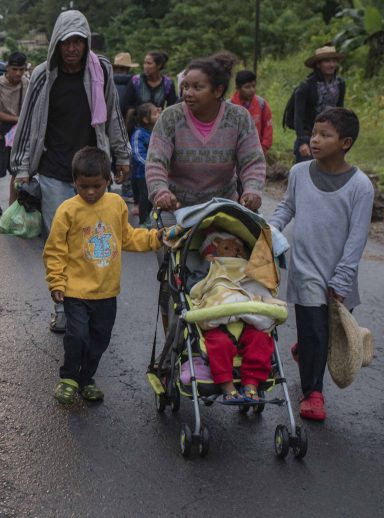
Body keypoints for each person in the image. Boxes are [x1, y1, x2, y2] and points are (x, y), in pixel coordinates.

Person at [9, 9, 131, 333]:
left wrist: (122, 157)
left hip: (93, 172)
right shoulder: (42, 76)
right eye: (66, 42)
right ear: (56, 45)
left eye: (78, 42)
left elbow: (113, 115)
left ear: (86, 42)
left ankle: (90, 301)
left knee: (94, 241)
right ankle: (62, 306)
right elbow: (28, 124)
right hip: (53, 172)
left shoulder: (100, 69)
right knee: (58, 243)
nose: (73, 49)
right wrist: (22, 169)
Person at [269, 107, 372, 421]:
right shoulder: (299, 172)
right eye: (314, 133)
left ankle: (309, 351)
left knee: (328, 331)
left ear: (345, 142)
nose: (314, 140)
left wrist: (342, 279)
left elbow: (356, 240)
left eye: (324, 135)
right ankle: (313, 393)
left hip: (339, 270)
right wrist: (268, 233)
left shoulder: (360, 186)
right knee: (313, 327)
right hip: (306, 268)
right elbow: (286, 208)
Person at [44, 147, 164, 403]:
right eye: (83, 186)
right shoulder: (67, 210)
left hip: (107, 291)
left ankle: (87, 378)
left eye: (96, 186)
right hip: (75, 291)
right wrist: (56, 280)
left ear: (108, 181)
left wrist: (156, 238)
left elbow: (128, 237)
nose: (90, 192)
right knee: (77, 335)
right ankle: (68, 378)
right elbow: (55, 249)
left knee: (100, 339)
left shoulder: (116, 204)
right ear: (74, 181)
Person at [146, 53, 266, 213]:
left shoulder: (239, 117)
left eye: (197, 87)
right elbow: (156, 161)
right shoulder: (170, 117)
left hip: (222, 207)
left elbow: (253, 162)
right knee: (160, 237)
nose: (188, 93)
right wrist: (160, 192)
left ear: (217, 91)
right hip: (176, 207)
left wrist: (252, 191)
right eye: (186, 86)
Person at [189, 232, 277, 403]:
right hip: (219, 316)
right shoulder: (209, 265)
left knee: (261, 339)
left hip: (247, 318)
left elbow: (256, 285)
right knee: (218, 343)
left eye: (237, 249)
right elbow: (192, 286)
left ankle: (251, 384)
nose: (233, 253)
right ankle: (227, 385)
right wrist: (206, 266)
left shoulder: (245, 266)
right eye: (226, 248)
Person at [0, 51, 28, 215]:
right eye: (15, 69)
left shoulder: (26, 83)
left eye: (21, 70)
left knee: (17, 170)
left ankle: (12, 206)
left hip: (18, 134)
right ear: (8, 68)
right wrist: (19, 119)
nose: (18, 73)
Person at [292, 46, 346, 163]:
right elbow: (298, 117)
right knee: (306, 173)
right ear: (318, 64)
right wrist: (302, 142)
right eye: (327, 61)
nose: (331, 65)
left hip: (330, 136)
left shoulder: (340, 84)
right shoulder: (306, 86)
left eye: (333, 61)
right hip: (309, 136)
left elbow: (340, 110)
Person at [128, 102, 159, 225]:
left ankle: (149, 220)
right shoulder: (139, 134)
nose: (159, 115)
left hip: (152, 171)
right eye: (155, 113)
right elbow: (137, 154)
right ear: (146, 119)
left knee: (152, 197)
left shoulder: (152, 131)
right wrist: (150, 165)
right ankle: (143, 223)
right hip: (142, 174)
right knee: (145, 197)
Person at [230, 70, 273, 154]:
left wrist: (263, 148)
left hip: (257, 151)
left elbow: (268, 128)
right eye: (247, 87)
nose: (252, 90)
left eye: (253, 86)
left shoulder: (262, 104)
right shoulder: (229, 106)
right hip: (234, 153)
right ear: (238, 88)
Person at [111, 52, 138, 118]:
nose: (118, 70)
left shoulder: (105, 81)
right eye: (115, 68)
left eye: (121, 68)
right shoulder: (136, 83)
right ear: (128, 69)